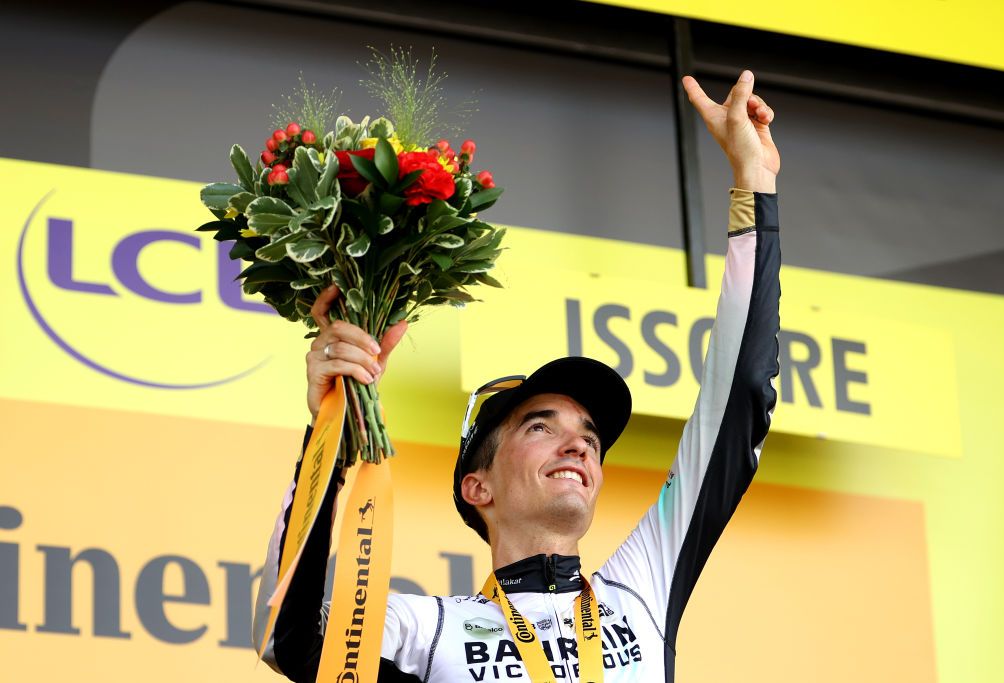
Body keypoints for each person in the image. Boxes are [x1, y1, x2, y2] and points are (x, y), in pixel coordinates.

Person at [254, 69, 781, 682]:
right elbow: (290, 638)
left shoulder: (643, 590)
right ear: (479, 487)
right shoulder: (425, 631)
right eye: (540, 426)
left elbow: (738, 400)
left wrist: (755, 184)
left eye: (588, 432)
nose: (580, 442)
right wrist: (332, 428)